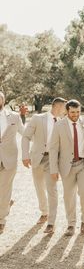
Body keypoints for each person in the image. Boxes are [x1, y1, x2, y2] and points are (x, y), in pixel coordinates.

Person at [49, 99, 84, 236]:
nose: (75, 115)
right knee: (68, 196)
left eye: (77, 112)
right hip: (67, 166)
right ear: (67, 111)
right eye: (72, 112)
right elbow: (53, 149)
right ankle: (71, 223)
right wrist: (53, 169)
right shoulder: (59, 125)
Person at [21, 97, 67, 233]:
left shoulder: (63, 122)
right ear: (58, 106)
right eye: (64, 107)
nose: (65, 110)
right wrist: (25, 155)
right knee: (39, 188)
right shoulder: (37, 118)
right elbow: (25, 136)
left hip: (52, 161)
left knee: (52, 190)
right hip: (37, 158)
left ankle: (51, 223)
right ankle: (44, 212)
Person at [0, 91, 24, 234]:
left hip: (9, 159)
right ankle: (5, 205)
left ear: (3, 100)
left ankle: (1, 219)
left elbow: (24, 132)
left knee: (4, 189)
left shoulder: (14, 117)